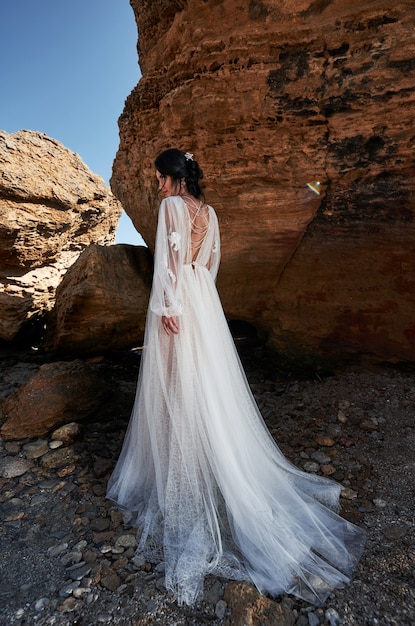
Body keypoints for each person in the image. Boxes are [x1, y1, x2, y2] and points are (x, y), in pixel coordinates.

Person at [107, 149, 366, 607]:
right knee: (207, 381)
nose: (159, 186)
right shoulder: (208, 211)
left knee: (176, 382)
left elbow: (168, 262)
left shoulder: (171, 207)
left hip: (179, 300)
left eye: (160, 179)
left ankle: (184, 468)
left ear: (173, 177)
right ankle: (206, 455)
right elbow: (210, 264)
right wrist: (196, 296)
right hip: (203, 298)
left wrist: (168, 306)